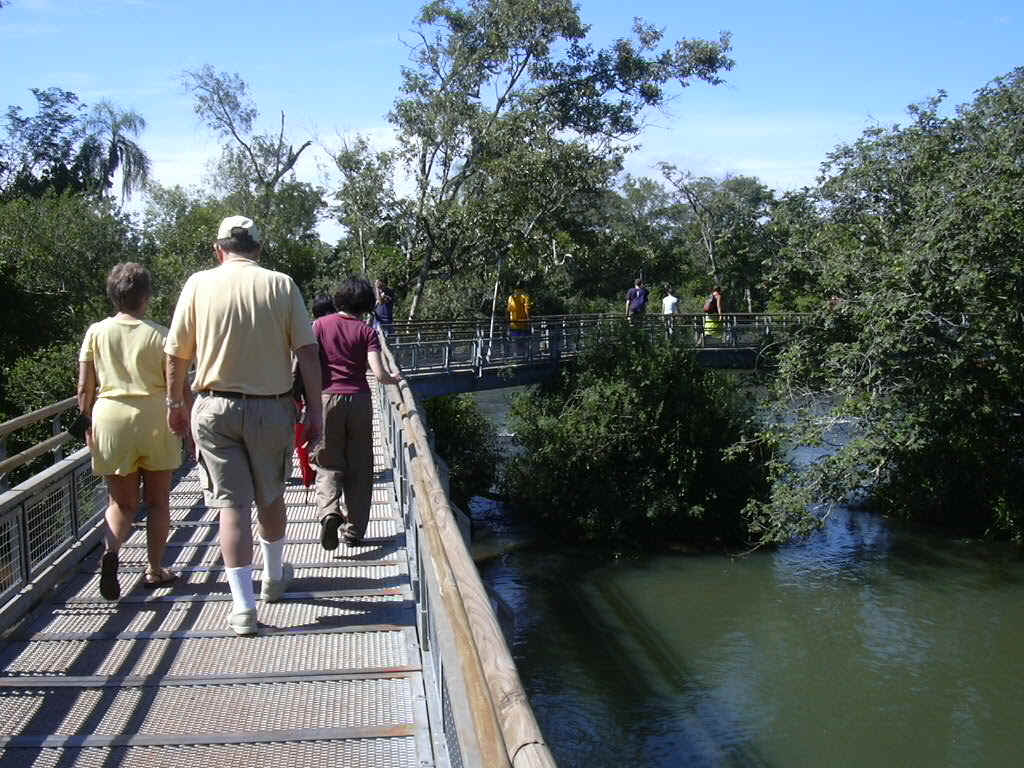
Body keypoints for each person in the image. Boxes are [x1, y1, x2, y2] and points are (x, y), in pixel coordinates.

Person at [164, 215, 323, 636]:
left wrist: (174, 403)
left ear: (219, 249)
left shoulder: (198, 284)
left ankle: (243, 608)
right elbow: (307, 353)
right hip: (272, 409)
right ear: (258, 249)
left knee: (231, 507)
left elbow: (176, 354)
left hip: (215, 408)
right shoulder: (281, 284)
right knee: (270, 496)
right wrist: (317, 413)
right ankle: (273, 579)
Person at [78, 263, 182, 600]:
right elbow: (174, 385)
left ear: (112, 295)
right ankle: (154, 569)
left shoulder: (96, 332)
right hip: (154, 418)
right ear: (147, 297)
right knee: (158, 502)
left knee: (121, 503)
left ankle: (111, 552)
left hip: (110, 418)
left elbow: (84, 388)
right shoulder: (162, 335)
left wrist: (86, 423)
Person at [314, 277, 403, 551]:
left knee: (328, 462)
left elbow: (305, 363)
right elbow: (378, 373)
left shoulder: (318, 326)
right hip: (360, 401)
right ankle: (354, 532)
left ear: (338, 299)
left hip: (327, 398)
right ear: (365, 304)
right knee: (360, 468)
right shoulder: (367, 332)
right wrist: (394, 377)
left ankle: (329, 511)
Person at [507, 283, 532, 356]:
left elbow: (508, 311)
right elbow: (527, 310)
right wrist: (529, 322)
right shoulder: (525, 296)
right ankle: (525, 358)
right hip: (524, 325)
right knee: (525, 344)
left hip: (513, 325)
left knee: (515, 344)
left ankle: (516, 359)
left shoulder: (511, 297)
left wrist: (508, 323)